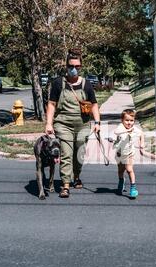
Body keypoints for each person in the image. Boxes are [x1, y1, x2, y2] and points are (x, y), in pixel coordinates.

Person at [45, 48, 101, 198]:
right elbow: (51, 104)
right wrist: (49, 124)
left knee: (79, 155)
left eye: (77, 67)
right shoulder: (58, 83)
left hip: (82, 125)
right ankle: (65, 185)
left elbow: (94, 104)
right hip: (63, 124)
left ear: (81, 67)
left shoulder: (86, 84)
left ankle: (76, 176)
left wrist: (97, 122)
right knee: (66, 154)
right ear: (66, 67)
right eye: (71, 66)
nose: (73, 69)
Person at [113, 109, 145, 198]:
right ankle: (121, 181)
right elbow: (116, 132)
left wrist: (142, 143)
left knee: (129, 170)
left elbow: (141, 133)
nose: (129, 123)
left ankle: (133, 188)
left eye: (131, 121)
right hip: (119, 153)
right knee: (120, 170)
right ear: (122, 120)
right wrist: (127, 131)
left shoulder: (134, 129)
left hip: (130, 153)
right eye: (127, 120)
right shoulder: (121, 127)